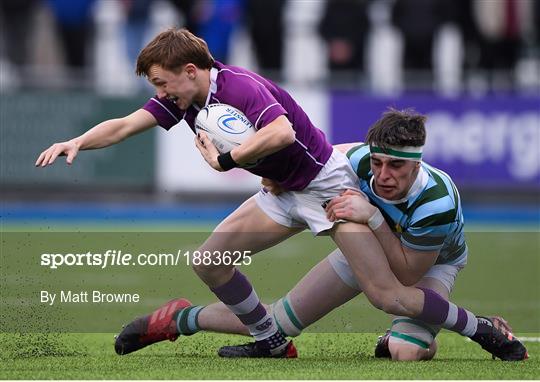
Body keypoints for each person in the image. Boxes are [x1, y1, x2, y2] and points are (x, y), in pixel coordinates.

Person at [36, 28, 526, 360]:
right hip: (283, 192)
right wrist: (78, 140)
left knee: (385, 294)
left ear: (190, 69)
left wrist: (228, 160)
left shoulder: (241, 87)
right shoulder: (185, 98)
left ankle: (480, 329)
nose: (161, 95)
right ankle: (270, 341)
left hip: (324, 189)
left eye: (164, 84)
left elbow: (283, 134)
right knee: (208, 260)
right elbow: (126, 124)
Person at [111, 109, 529, 361]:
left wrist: (374, 218)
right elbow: (320, 160)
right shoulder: (362, 160)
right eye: (378, 163)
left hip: (426, 262)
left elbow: (403, 273)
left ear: (417, 164)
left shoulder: (436, 201)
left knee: (404, 350)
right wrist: (281, 178)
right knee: (275, 325)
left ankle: (475, 327)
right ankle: (182, 317)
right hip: (373, 247)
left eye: (395, 168)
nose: (382, 176)